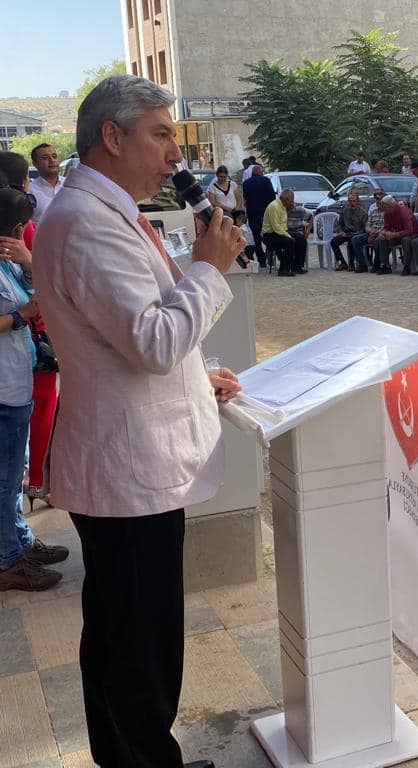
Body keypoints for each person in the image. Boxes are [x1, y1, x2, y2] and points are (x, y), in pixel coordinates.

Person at [32, 74, 244, 768]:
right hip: (128, 473)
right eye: (160, 136)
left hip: (127, 462)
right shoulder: (87, 221)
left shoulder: (104, 211)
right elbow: (152, 342)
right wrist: (209, 269)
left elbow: (120, 337)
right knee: (139, 644)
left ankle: (131, 757)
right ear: (112, 136)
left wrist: (197, 377)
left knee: (123, 633)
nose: (175, 155)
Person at [0, 186, 68, 591]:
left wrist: (28, 263)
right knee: (4, 481)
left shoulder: (7, 262)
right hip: (3, 390)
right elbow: (20, 310)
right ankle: (8, 560)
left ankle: (20, 542)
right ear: (15, 227)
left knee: (12, 477)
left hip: (15, 383)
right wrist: (22, 315)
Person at [242, 164, 276, 268]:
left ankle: (261, 261)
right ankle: (269, 249)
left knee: (256, 237)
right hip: (265, 213)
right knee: (268, 234)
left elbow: (245, 198)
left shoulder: (246, 183)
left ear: (252, 173)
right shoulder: (266, 181)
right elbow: (272, 197)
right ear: (261, 172)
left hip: (252, 214)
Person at [378, 196, 418, 275]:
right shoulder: (387, 212)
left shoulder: (403, 212)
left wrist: (394, 235)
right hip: (399, 234)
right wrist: (383, 232)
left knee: (406, 240)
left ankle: (407, 266)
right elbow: (386, 227)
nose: (382, 208)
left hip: (413, 234)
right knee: (382, 239)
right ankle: (385, 265)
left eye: (384, 206)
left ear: (390, 206)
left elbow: (409, 230)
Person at [262, 188, 297, 275]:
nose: (292, 203)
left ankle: (297, 267)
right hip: (269, 235)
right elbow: (276, 227)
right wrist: (288, 236)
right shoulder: (274, 206)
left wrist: (289, 234)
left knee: (301, 238)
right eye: (291, 201)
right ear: (286, 199)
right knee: (289, 242)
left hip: (279, 232)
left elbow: (283, 225)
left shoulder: (283, 206)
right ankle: (283, 270)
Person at [329, 193, 368, 271]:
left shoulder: (363, 213)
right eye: (350, 201)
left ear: (358, 202)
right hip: (346, 232)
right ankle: (342, 262)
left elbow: (364, 229)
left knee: (352, 240)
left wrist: (353, 234)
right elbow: (340, 224)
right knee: (333, 241)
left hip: (356, 233)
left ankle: (351, 264)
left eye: (354, 201)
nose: (352, 203)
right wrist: (341, 231)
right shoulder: (345, 210)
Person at [28, 144, 64, 222]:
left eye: (54, 156)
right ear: (35, 164)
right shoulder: (29, 191)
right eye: (45, 158)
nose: (52, 160)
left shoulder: (71, 185)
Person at [354, 191, 386, 273]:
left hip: (381, 233)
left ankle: (377, 264)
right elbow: (367, 225)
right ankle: (362, 265)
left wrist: (375, 233)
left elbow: (387, 227)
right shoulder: (373, 212)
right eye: (376, 200)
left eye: (379, 200)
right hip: (371, 233)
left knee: (377, 241)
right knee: (356, 239)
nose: (378, 202)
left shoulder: (387, 212)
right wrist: (370, 232)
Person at [283, 189, 312, 273]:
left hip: (297, 231)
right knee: (291, 240)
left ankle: (298, 266)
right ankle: (290, 265)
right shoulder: (281, 210)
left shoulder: (299, 210)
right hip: (285, 232)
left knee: (301, 240)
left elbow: (311, 217)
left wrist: (308, 230)